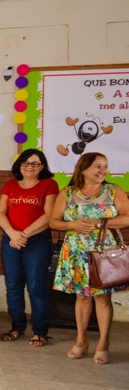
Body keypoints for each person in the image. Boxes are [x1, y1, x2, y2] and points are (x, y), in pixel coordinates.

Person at [50, 152, 129, 364]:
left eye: (105, 166)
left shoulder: (113, 190)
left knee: (102, 298)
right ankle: (81, 340)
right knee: (81, 296)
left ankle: (103, 343)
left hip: (103, 253)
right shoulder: (67, 193)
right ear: (83, 168)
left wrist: (98, 222)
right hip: (75, 253)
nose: (103, 170)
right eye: (98, 166)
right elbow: (54, 222)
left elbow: (127, 217)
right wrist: (71, 225)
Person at [0, 149, 59, 346]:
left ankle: (40, 331)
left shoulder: (49, 184)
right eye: (26, 163)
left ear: (42, 167)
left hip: (37, 241)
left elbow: (49, 216)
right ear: (19, 165)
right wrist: (12, 234)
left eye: (35, 163)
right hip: (11, 240)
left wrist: (23, 235)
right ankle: (17, 327)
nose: (30, 167)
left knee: (36, 287)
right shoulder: (10, 184)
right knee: (13, 287)